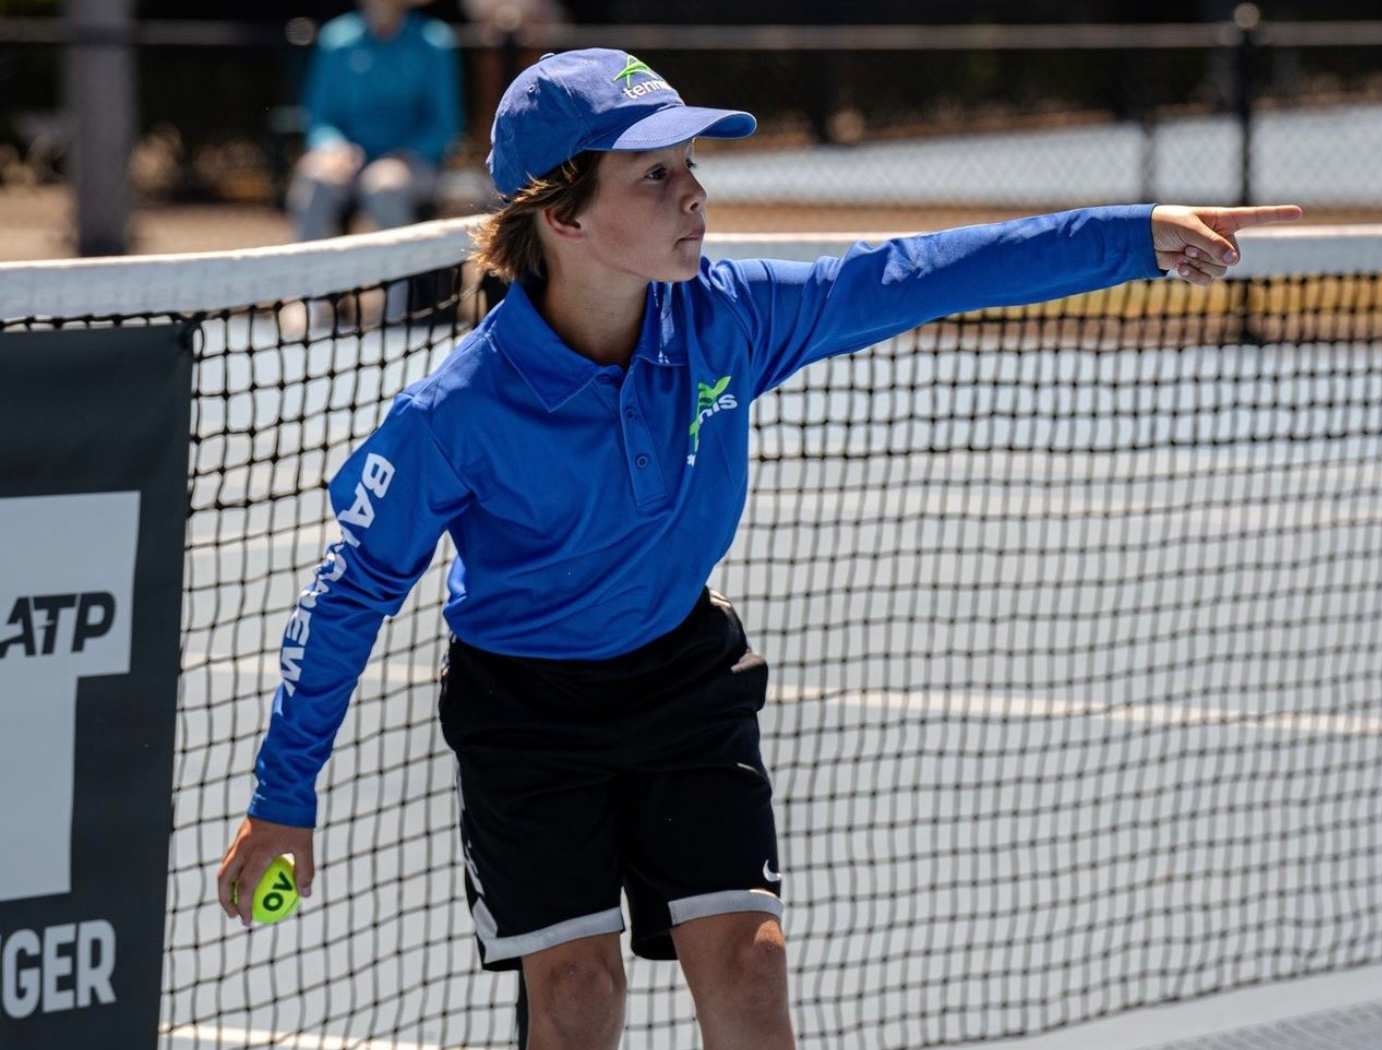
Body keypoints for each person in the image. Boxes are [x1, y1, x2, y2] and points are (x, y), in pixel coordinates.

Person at [219, 48, 1301, 1050]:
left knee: (748, 968)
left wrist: (1129, 233)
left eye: (689, 166)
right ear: (565, 217)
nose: (693, 193)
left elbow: (912, 274)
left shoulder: (724, 319)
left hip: (682, 679)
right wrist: (284, 794)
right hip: (524, 715)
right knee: (578, 994)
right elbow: (350, 592)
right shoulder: (455, 412)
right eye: (653, 176)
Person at [288, 0, 463, 244]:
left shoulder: (434, 41)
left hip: (410, 163)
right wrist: (333, 148)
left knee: (384, 187)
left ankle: (404, 279)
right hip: (347, 159)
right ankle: (306, 277)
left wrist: (407, 155)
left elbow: (444, 123)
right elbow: (320, 117)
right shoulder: (337, 38)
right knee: (316, 178)